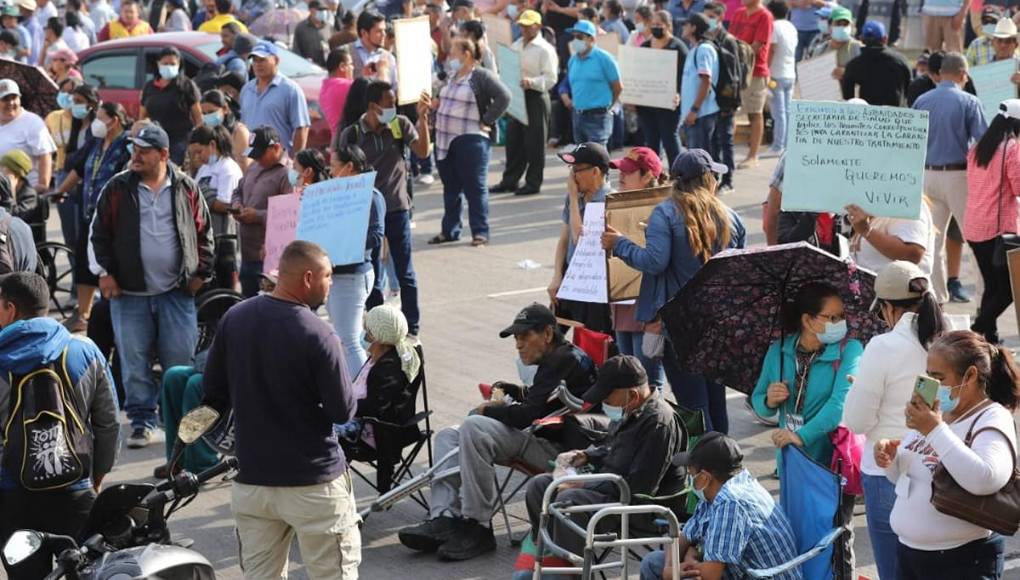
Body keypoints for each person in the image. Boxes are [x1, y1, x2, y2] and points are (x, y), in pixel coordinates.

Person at [202, 240, 361, 579]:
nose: (330, 284)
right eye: (328, 276)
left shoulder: (235, 317)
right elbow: (342, 411)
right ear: (307, 278)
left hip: (253, 484)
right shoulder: (319, 333)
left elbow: (213, 392)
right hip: (313, 484)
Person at [398, 303, 597, 561]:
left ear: (547, 334)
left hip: (561, 452)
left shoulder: (562, 360)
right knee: (448, 435)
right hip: (542, 433)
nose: (518, 344)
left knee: (475, 427)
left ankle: (477, 525)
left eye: (525, 336)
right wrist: (513, 391)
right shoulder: (559, 357)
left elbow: (527, 415)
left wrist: (487, 411)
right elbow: (540, 400)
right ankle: (444, 517)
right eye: (516, 338)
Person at [602, 150, 745, 432]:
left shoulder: (665, 213)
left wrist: (619, 244)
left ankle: (704, 468)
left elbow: (654, 262)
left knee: (693, 406)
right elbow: (738, 272)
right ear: (706, 179)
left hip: (678, 328)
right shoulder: (730, 217)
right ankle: (722, 463)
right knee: (716, 402)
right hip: (716, 326)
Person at [89, 124, 213, 448]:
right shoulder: (117, 189)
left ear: (164, 154)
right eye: (135, 149)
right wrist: (105, 273)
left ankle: (179, 427)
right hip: (129, 296)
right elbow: (98, 235)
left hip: (177, 293)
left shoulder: (186, 188)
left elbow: (204, 235)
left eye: (144, 150)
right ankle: (143, 422)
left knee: (179, 364)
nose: (136, 156)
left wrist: (201, 274)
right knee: (133, 363)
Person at [0, 272, 118, 580]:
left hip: (12, 497)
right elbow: (108, 422)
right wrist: (98, 474)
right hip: (76, 490)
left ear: (10, 309)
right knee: (88, 572)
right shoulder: (85, 350)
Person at [878, 330, 1019, 578]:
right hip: (910, 554)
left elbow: (986, 479)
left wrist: (933, 429)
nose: (931, 384)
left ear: (971, 375)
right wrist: (890, 459)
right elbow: (907, 476)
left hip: (961, 559)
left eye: (938, 377)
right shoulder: (938, 414)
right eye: (928, 375)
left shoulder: (992, 416)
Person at [843, 260, 946, 580]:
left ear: (887, 308)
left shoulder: (883, 346)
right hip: (943, 467)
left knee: (895, 572)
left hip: (889, 472)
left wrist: (858, 390)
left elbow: (856, 422)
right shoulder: (953, 337)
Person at [525, 355, 685, 556]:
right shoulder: (630, 409)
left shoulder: (658, 424)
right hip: (612, 488)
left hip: (639, 506)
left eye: (607, 398)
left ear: (633, 395)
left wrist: (583, 484)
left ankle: (567, 569)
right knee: (539, 486)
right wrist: (587, 455)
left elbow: (638, 487)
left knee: (569, 499)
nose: (604, 403)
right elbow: (613, 446)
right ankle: (545, 555)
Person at [639, 432, 801, 580]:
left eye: (691, 473)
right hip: (735, 570)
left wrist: (677, 570)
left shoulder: (731, 502)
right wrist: (670, 567)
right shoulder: (719, 488)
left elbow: (710, 575)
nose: (689, 478)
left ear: (704, 477)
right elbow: (684, 537)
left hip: (759, 576)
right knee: (653, 563)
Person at [336, 81, 427, 337]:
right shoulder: (352, 134)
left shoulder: (400, 125)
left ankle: (412, 327)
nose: (393, 107)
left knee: (405, 271)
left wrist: (422, 119)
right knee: (372, 272)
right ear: (373, 106)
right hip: (366, 213)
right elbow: (343, 170)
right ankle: (377, 327)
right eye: (388, 103)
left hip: (397, 208)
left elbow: (422, 150)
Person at [752, 281, 864, 469]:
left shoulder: (850, 350)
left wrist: (800, 436)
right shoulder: (778, 351)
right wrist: (769, 401)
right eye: (832, 317)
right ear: (808, 321)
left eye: (842, 316)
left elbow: (840, 404)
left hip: (833, 461)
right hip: (789, 458)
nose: (841, 323)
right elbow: (759, 401)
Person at [913, 51, 988, 303]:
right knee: (979, 239)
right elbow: (984, 141)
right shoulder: (969, 101)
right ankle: (985, 297)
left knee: (931, 242)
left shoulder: (922, 100)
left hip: (926, 175)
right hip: (958, 176)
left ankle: (936, 300)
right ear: (962, 74)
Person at [429, 37, 510, 247]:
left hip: (472, 139)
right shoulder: (450, 76)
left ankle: (480, 232)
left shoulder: (481, 76)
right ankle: (450, 230)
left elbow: (504, 96)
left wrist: (487, 120)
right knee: (451, 188)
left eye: (453, 52)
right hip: (446, 140)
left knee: (475, 188)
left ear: (466, 54)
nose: (449, 57)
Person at [325, 143, 385, 377]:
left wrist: (344, 245)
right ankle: (357, 382)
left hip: (353, 276)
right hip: (337, 274)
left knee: (349, 340)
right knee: (345, 337)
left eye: (334, 166)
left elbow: (376, 235)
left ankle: (361, 391)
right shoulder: (338, 194)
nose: (331, 172)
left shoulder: (370, 196)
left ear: (349, 167)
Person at [964, 98, 1020, 344]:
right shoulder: (1011, 148)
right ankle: (976, 329)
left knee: (991, 284)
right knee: (1007, 290)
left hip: (974, 225)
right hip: (998, 230)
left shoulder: (978, 148)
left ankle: (989, 336)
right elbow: (1018, 186)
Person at [549, 142, 615, 333]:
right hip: (571, 275)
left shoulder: (609, 201)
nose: (572, 176)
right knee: (549, 337)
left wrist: (572, 195)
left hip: (593, 283)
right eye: (572, 169)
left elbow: (581, 239)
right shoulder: (575, 197)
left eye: (577, 170)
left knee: (593, 341)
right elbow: (565, 239)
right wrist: (557, 276)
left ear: (595, 172)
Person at [491, 10, 557, 196]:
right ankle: (510, 180)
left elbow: (551, 78)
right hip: (517, 94)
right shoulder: (516, 44)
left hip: (536, 96)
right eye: (522, 25)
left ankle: (533, 182)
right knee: (514, 140)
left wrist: (532, 82)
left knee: (535, 142)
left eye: (528, 25)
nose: (524, 28)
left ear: (537, 26)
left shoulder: (545, 49)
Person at [232, 126, 292, 298]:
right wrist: (236, 205)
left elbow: (291, 214)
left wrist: (257, 216)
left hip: (270, 258)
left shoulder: (288, 174)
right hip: (247, 254)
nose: (257, 159)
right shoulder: (254, 167)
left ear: (276, 148)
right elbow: (238, 191)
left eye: (260, 154)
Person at [633, 10, 686, 167]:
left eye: (659, 25)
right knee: (651, 142)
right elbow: (637, 73)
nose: (655, 27)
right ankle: (654, 175)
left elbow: (685, 77)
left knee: (670, 139)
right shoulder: (645, 46)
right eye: (653, 24)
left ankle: (678, 174)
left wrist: (680, 95)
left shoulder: (678, 47)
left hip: (668, 103)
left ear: (668, 26)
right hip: (647, 103)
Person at [240, 41, 312, 156]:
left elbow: (301, 128)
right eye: (255, 60)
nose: (258, 64)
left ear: (276, 60)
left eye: (262, 60)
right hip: (252, 159)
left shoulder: (290, 89)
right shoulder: (247, 89)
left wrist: (296, 162)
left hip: (278, 160)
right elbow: (243, 128)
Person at [728, 0, 773, 168]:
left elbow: (757, 45)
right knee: (730, 111)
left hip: (756, 71)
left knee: (755, 113)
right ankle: (727, 153)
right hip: (736, 70)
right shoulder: (738, 13)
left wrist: (735, 53)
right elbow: (730, 38)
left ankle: (753, 156)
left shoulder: (765, 16)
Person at [563, 19, 621, 147]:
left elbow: (617, 87)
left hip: (599, 116)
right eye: (574, 37)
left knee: (597, 159)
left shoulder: (605, 59)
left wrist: (609, 107)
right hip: (578, 116)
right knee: (582, 160)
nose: (575, 41)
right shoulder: (573, 60)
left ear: (591, 39)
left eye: (579, 37)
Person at [140, 47, 203, 165]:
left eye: (172, 64)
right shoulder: (150, 86)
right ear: (158, 64)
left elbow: (198, 118)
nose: (169, 66)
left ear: (179, 65)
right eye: (165, 63)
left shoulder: (186, 86)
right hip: (155, 140)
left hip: (179, 141)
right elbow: (143, 116)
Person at [702, 1, 738, 194]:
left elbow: (733, 76)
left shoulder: (728, 40)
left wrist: (729, 104)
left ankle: (728, 179)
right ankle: (714, 176)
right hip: (711, 101)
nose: (708, 21)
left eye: (711, 17)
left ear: (720, 18)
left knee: (726, 140)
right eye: (706, 16)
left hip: (725, 101)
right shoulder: (707, 39)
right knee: (714, 140)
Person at [0, 79, 54, 194]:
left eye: (14, 98)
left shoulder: (32, 122)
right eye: (5, 99)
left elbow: (45, 154)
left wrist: (42, 185)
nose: (11, 103)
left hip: (24, 192)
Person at [841, 21, 912, 106]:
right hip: (896, 116)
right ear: (885, 38)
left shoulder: (854, 65)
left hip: (867, 117)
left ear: (862, 39)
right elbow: (911, 90)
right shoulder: (901, 60)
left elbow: (848, 98)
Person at [191, 125, 242, 239]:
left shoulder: (228, 168)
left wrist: (203, 196)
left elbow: (228, 205)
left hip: (224, 233)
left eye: (199, 152)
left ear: (212, 145)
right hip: (206, 231)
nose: (197, 157)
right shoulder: (204, 168)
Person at [680, 13, 719, 151]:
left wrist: (694, 110)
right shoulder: (694, 49)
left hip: (701, 115)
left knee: (700, 163)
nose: (682, 27)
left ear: (694, 28)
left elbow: (706, 81)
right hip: (695, 115)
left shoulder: (704, 50)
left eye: (686, 24)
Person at [767, 0, 796, 155]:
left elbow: (771, 50)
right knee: (788, 111)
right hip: (790, 74)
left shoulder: (774, 27)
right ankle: (787, 145)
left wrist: (766, 69)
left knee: (779, 113)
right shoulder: (791, 27)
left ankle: (778, 146)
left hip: (776, 75)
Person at [201, 89, 250, 171]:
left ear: (225, 108)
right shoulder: (206, 133)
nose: (208, 116)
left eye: (211, 112)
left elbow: (244, 165)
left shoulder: (239, 131)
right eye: (204, 113)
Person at [0, 150, 43, 242]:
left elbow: (14, 218)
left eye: (4, 169)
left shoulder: (30, 195)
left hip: (20, 240)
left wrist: (10, 190)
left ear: (16, 174)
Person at [352, 11, 398, 86]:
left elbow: (395, 88)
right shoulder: (346, 54)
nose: (384, 34)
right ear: (364, 33)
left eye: (384, 30)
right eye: (379, 31)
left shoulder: (389, 57)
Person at [322, 47, 355, 138]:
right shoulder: (346, 85)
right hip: (350, 140)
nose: (353, 68)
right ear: (342, 67)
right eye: (351, 64)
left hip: (336, 140)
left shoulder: (325, 87)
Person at [293, 0, 331, 67]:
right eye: (320, 10)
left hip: (326, 67)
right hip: (308, 68)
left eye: (324, 10)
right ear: (311, 10)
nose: (323, 12)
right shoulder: (301, 28)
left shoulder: (329, 27)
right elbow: (296, 50)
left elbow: (335, 47)